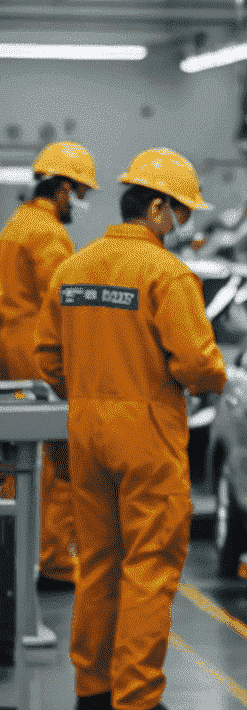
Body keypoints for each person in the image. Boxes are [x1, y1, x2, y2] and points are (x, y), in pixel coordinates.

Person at [35, 148, 225, 710]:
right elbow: (197, 362)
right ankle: (137, 698)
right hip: (146, 435)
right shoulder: (167, 275)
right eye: (183, 214)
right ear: (159, 208)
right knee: (149, 563)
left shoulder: (74, 269)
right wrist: (214, 378)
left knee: (97, 561)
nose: (184, 226)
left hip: (85, 429)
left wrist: (86, 391)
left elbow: (47, 357)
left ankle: (93, 686)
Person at [0, 142, 97, 591]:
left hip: (9, 350)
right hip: (37, 352)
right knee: (60, 459)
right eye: (77, 192)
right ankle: (56, 560)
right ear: (59, 188)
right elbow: (64, 302)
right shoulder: (49, 235)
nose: (78, 203)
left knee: (13, 456)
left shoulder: (17, 224)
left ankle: (13, 549)